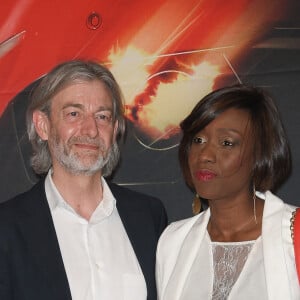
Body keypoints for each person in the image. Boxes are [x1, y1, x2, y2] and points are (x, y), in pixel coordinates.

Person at [0, 59, 167, 300]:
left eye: (102, 116)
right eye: (73, 114)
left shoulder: (149, 216)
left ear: (115, 128)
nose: (90, 130)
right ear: (43, 125)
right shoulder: (6, 227)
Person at [156, 84, 300, 299]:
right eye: (198, 140)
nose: (205, 155)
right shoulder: (173, 241)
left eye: (226, 143)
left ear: (260, 155)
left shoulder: (292, 235)